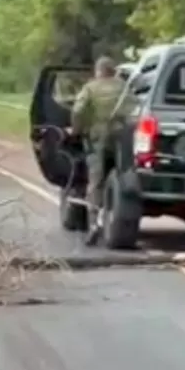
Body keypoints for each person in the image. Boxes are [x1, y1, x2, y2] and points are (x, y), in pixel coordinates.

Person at [71, 56, 137, 237]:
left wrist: (77, 130)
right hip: (121, 137)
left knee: (95, 179)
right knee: (123, 175)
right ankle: (117, 213)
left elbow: (77, 110)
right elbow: (135, 108)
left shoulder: (90, 88)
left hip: (98, 137)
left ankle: (94, 222)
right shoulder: (123, 87)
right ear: (113, 71)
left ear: (98, 70)